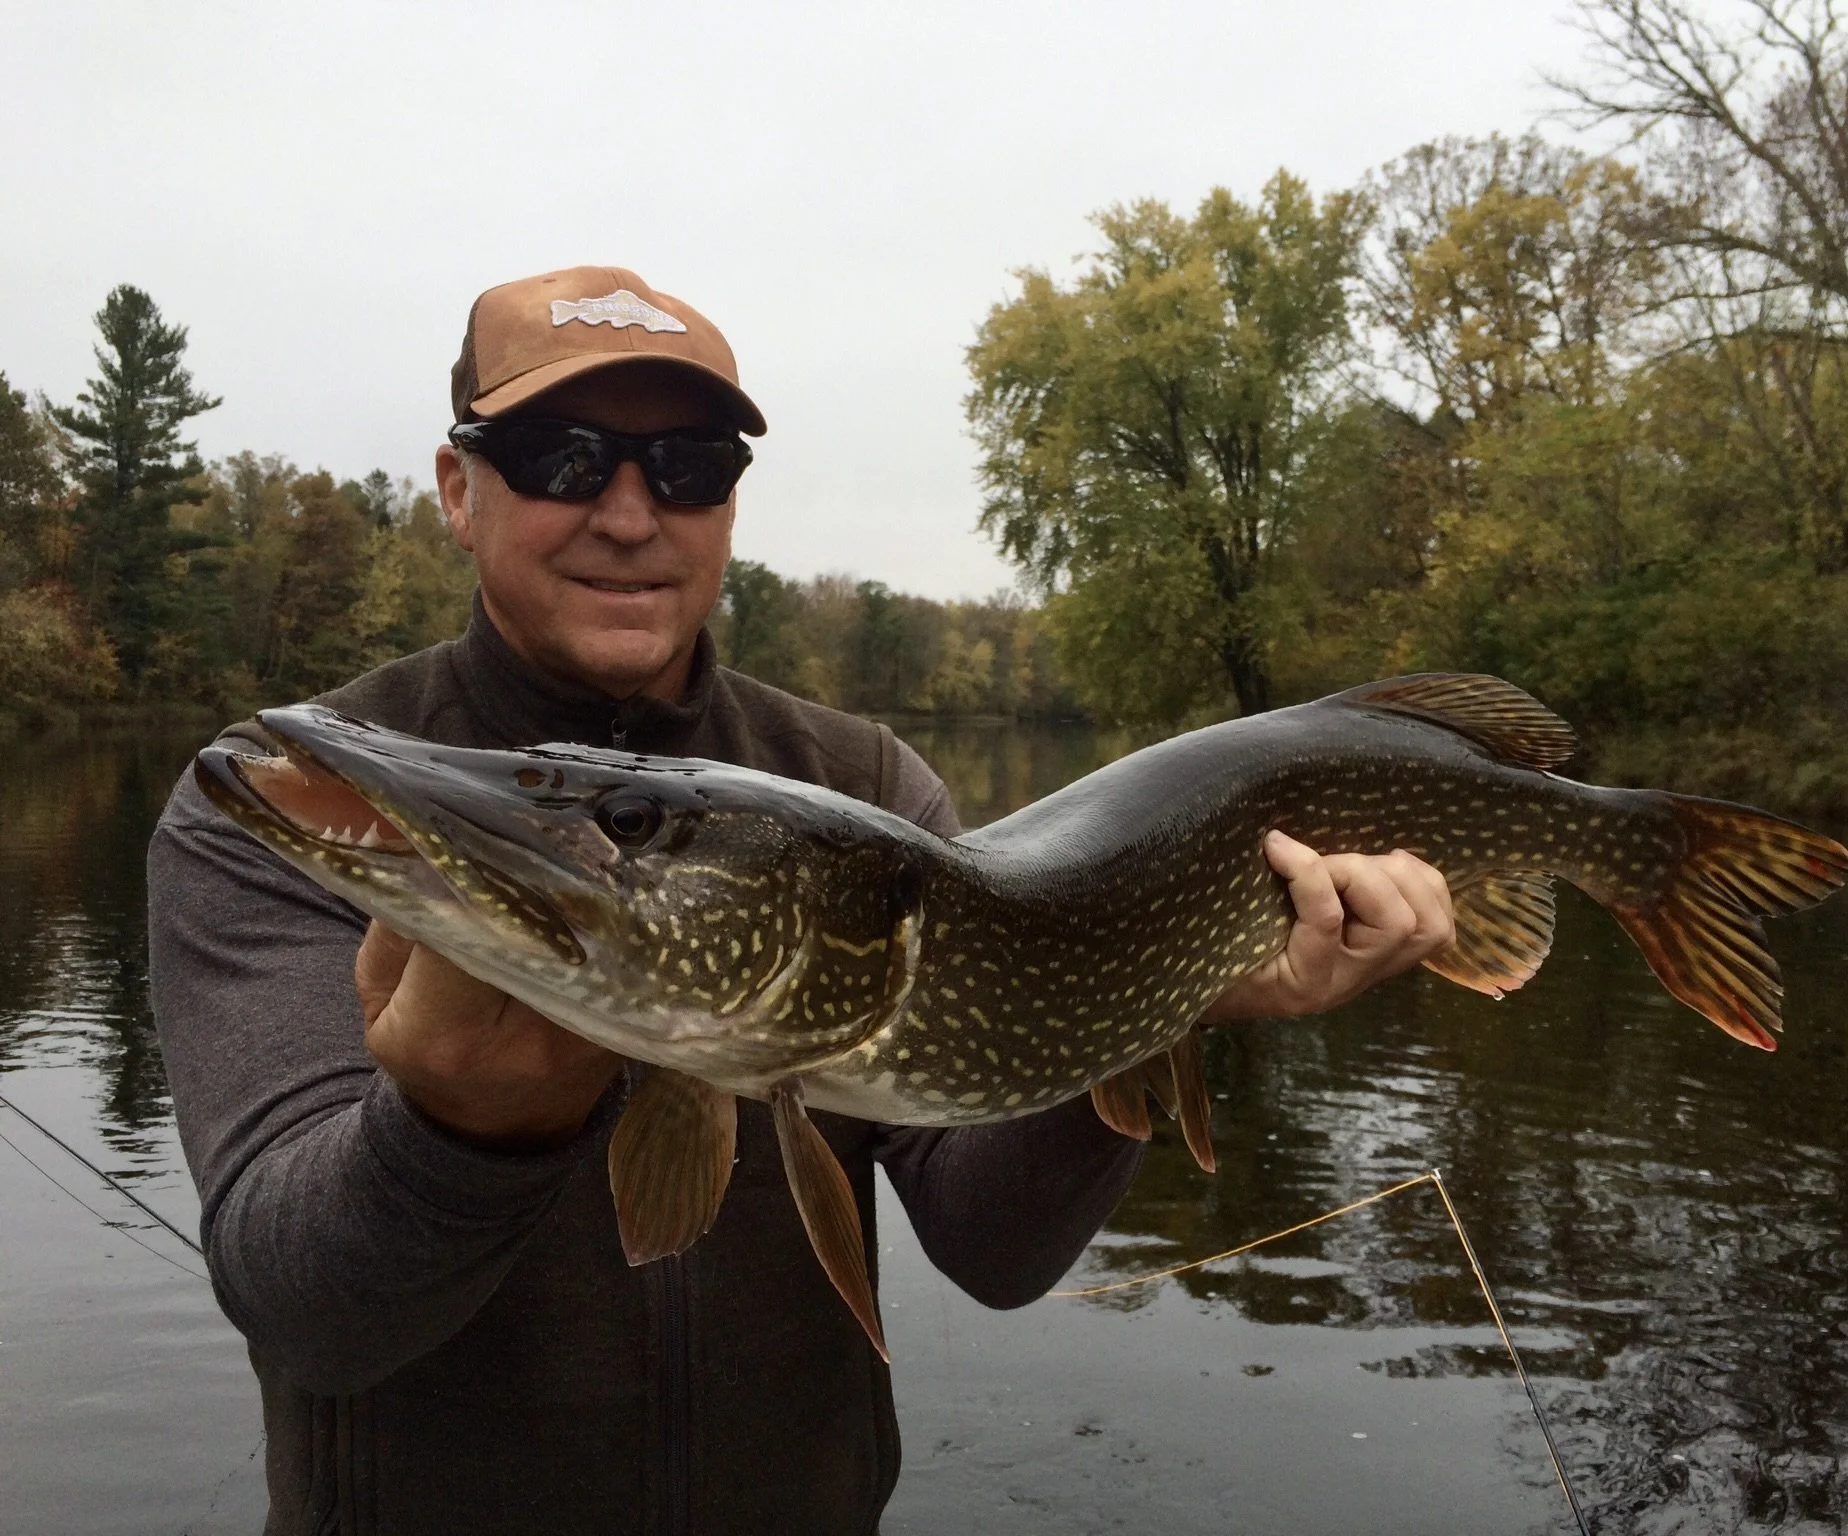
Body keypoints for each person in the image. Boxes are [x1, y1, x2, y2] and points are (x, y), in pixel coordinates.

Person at [146, 266, 1456, 1535]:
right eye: (560, 458)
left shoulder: (864, 787)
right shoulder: (285, 811)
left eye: (688, 466)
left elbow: (997, 1249)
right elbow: (304, 1313)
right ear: (458, 490)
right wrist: (460, 1135)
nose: (628, 513)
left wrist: (1169, 987)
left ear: (727, 506)